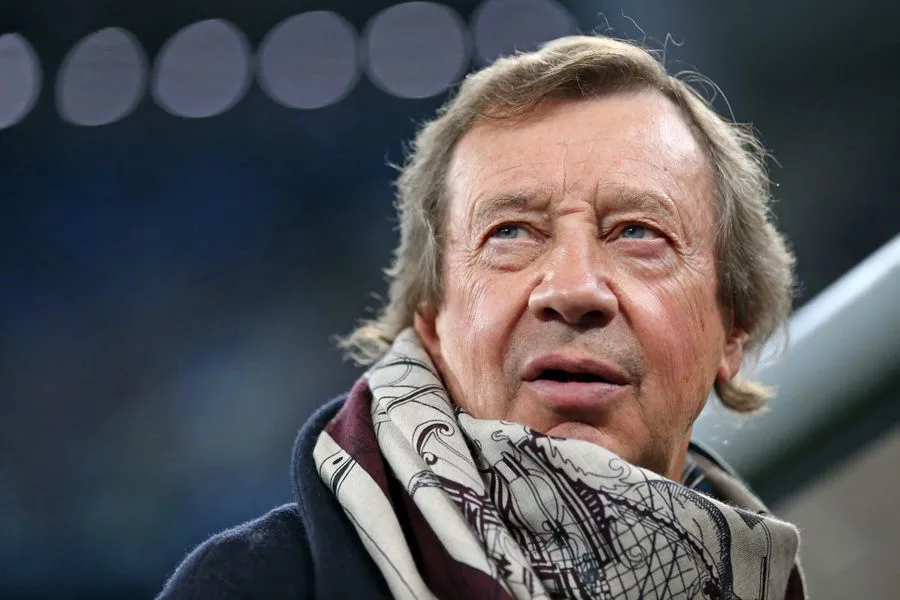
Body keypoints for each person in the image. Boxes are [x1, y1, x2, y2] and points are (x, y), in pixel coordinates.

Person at [158, 34, 805, 599]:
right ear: (431, 324)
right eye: (511, 233)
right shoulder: (258, 585)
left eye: (638, 232)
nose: (574, 289)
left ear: (733, 331)